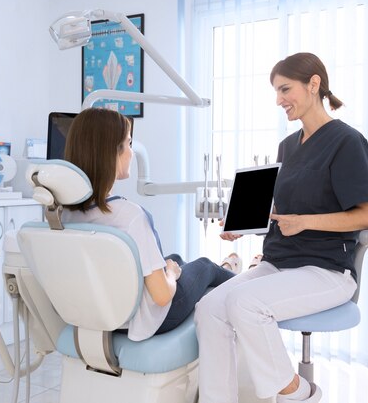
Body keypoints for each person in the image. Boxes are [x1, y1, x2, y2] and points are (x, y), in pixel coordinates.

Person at [194, 52, 368, 403]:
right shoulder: (287, 146)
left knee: (245, 303)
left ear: (314, 85)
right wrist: (246, 224)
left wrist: (307, 223)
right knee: (209, 307)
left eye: (285, 89)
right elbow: (283, 212)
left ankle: (298, 391)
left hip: (326, 268)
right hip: (279, 262)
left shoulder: (347, 142)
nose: (279, 100)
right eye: (276, 92)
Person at [60, 107, 236, 342]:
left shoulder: (64, 214)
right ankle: (241, 279)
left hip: (103, 314)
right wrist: (171, 275)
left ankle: (215, 268)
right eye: (129, 144)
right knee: (204, 266)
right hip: (148, 319)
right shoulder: (130, 216)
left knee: (173, 258)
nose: (132, 153)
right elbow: (162, 297)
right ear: (111, 152)